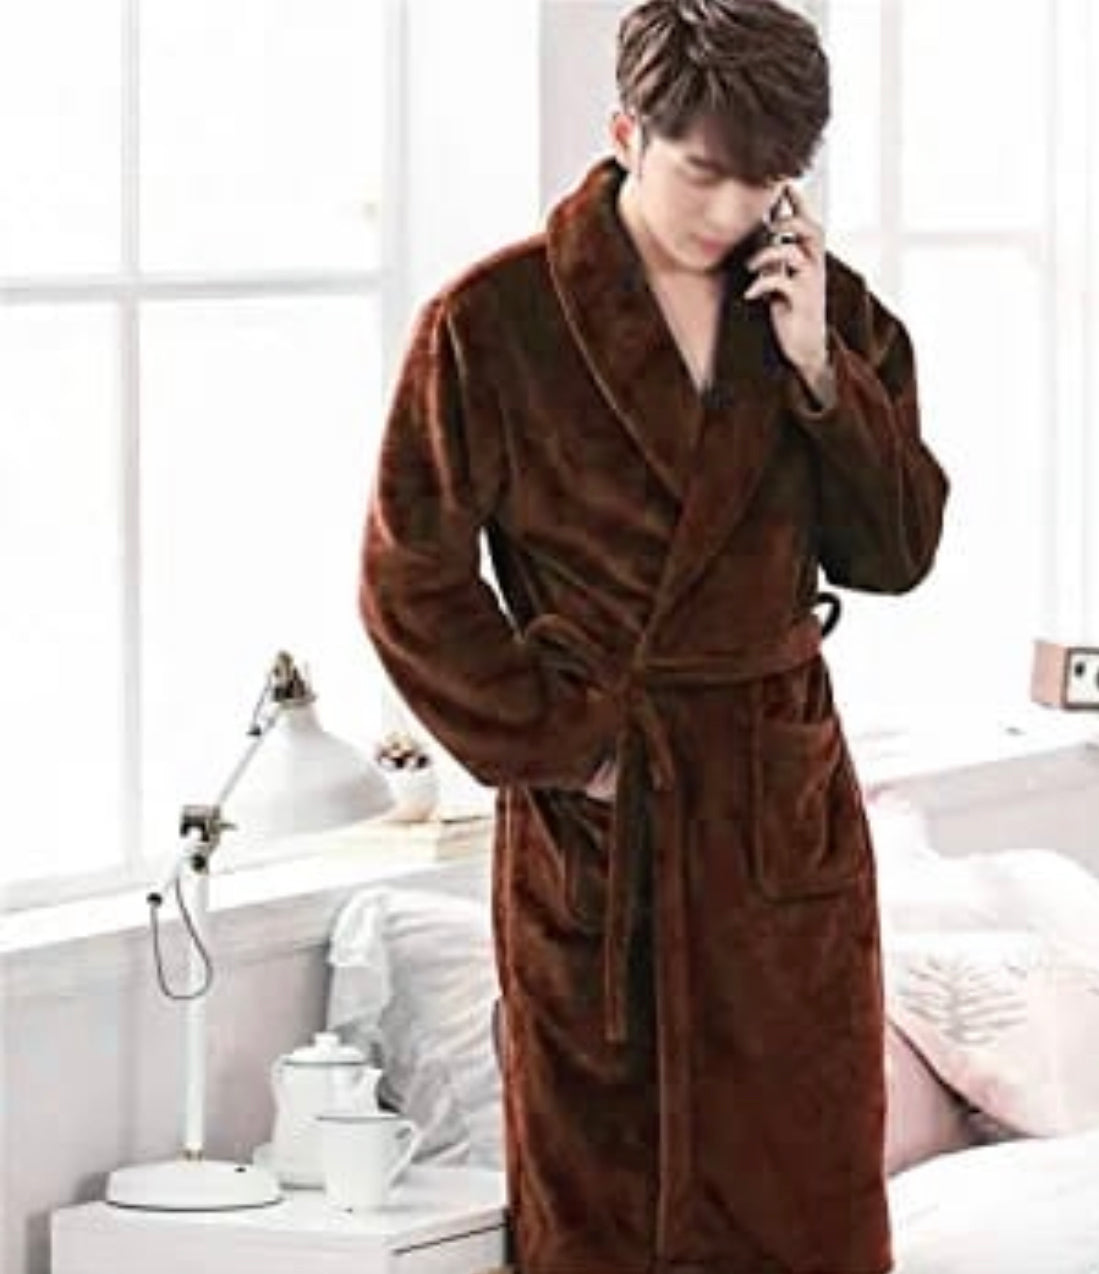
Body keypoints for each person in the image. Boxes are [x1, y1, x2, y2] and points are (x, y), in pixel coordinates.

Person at [358, 1, 949, 1270]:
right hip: (603, 830)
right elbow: (411, 580)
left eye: (765, 181)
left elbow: (897, 551)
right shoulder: (494, 322)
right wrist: (570, 747)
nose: (732, 211)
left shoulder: (827, 310)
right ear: (627, 132)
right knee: (607, 1203)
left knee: (805, 1195)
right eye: (704, 172)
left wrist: (821, 376)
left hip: (778, 816)